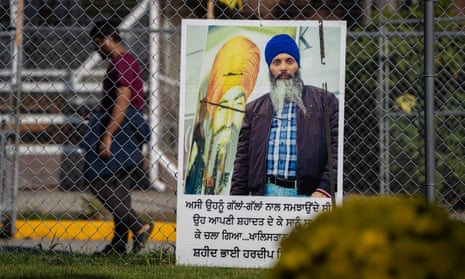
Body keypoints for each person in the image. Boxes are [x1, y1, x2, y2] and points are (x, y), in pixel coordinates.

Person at [230, 34, 338, 197]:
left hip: (308, 195)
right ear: (270, 69)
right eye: (276, 62)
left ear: (298, 65)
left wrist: (324, 189)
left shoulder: (325, 101)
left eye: (289, 61)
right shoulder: (253, 110)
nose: (283, 68)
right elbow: (242, 162)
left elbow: (336, 149)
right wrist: (236, 201)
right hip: (265, 194)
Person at [80, 19, 153, 255]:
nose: (96, 48)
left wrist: (108, 134)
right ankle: (119, 244)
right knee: (119, 185)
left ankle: (139, 227)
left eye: (97, 42)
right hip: (128, 125)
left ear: (107, 38)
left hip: (120, 128)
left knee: (96, 179)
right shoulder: (129, 60)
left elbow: (123, 97)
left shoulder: (120, 62)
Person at [185, 35, 260, 195]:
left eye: (239, 105)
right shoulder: (195, 161)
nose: (229, 120)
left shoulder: (250, 157)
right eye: (223, 107)